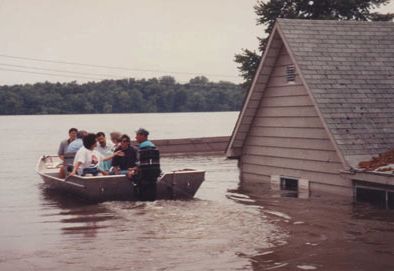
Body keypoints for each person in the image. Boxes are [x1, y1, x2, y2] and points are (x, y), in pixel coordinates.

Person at [133, 128, 160, 201]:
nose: (135, 137)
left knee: (143, 198)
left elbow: (140, 163)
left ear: (143, 136)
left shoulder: (142, 147)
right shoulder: (154, 146)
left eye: (137, 135)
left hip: (144, 176)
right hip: (154, 174)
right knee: (152, 198)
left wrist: (134, 170)